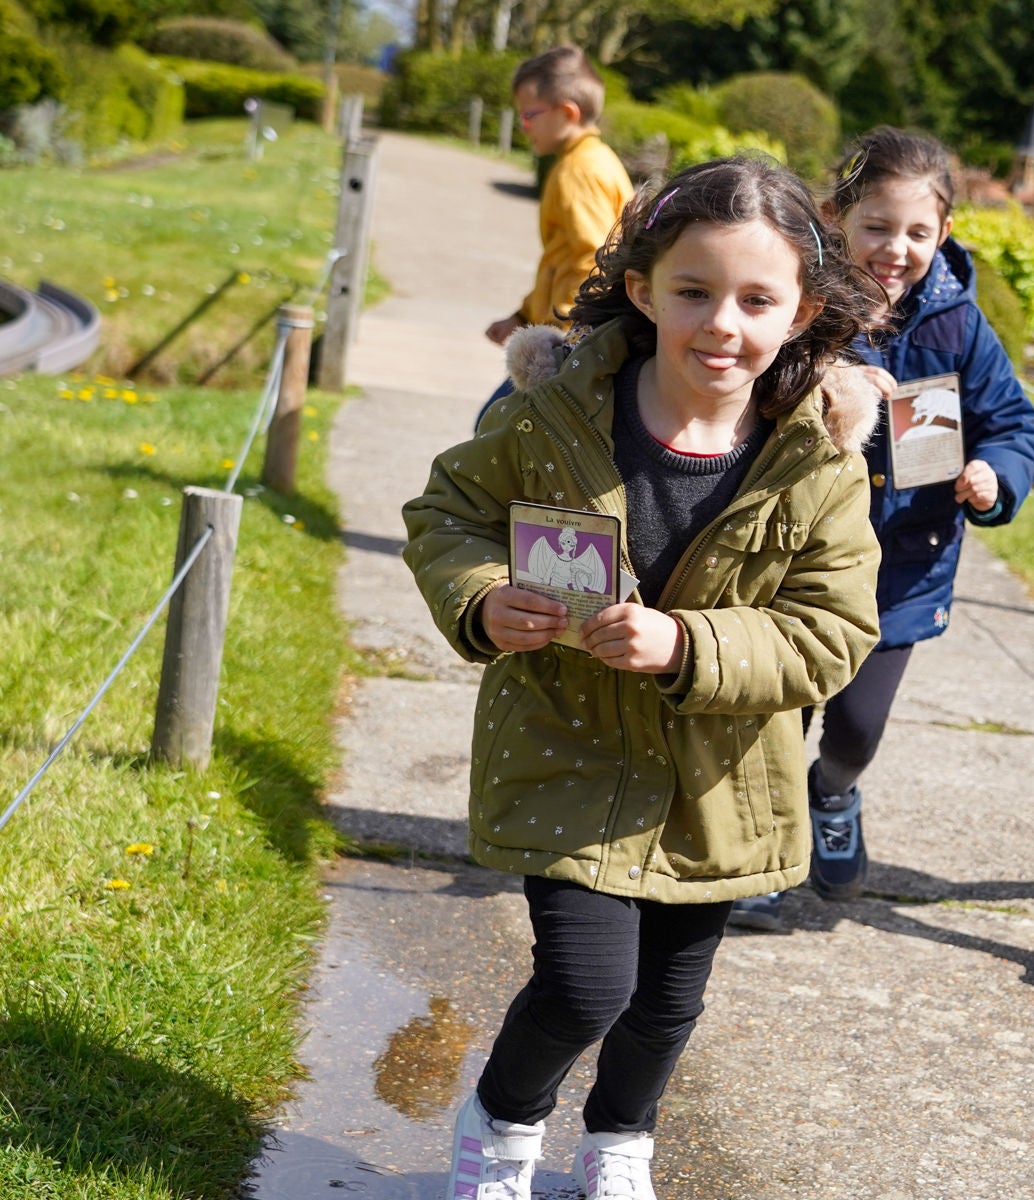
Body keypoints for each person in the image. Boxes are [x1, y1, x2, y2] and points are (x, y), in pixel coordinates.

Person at [404, 155, 887, 1199]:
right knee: (586, 985)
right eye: (694, 292)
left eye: (758, 300)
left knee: (669, 998)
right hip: (565, 749)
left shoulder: (819, 464)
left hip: (720, 782)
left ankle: (620, 1147)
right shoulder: (553, 420)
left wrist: (690, 648)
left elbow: (833, 633)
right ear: (640, 289)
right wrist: (485, 598)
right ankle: (502, 1129)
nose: (723, 324)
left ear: (802, 310)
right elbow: (448, 516)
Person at [728, 127, 1034, 931]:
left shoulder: (959, 326)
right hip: (793, 567)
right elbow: (743, 381)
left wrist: (994, 475)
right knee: (775, 720)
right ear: (838, 218)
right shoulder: (801, 300)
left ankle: (832, 794)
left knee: (857, 730)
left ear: (943, 233)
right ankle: (760, 864)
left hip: (900, 575)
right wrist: (824, 377)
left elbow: (1010, 423)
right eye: (877, 226)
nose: (895, 248)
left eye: (917, 232)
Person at [484, 45, 634, 351]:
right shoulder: (585, 160)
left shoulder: (578, 171)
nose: (524, 128)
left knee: (501, 403)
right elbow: (561, 257)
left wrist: (559, 334)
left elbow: (594, 259)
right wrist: (523, 316)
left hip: (568, 339)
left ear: (567, 113)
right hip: (567, 330)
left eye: (528, 116)